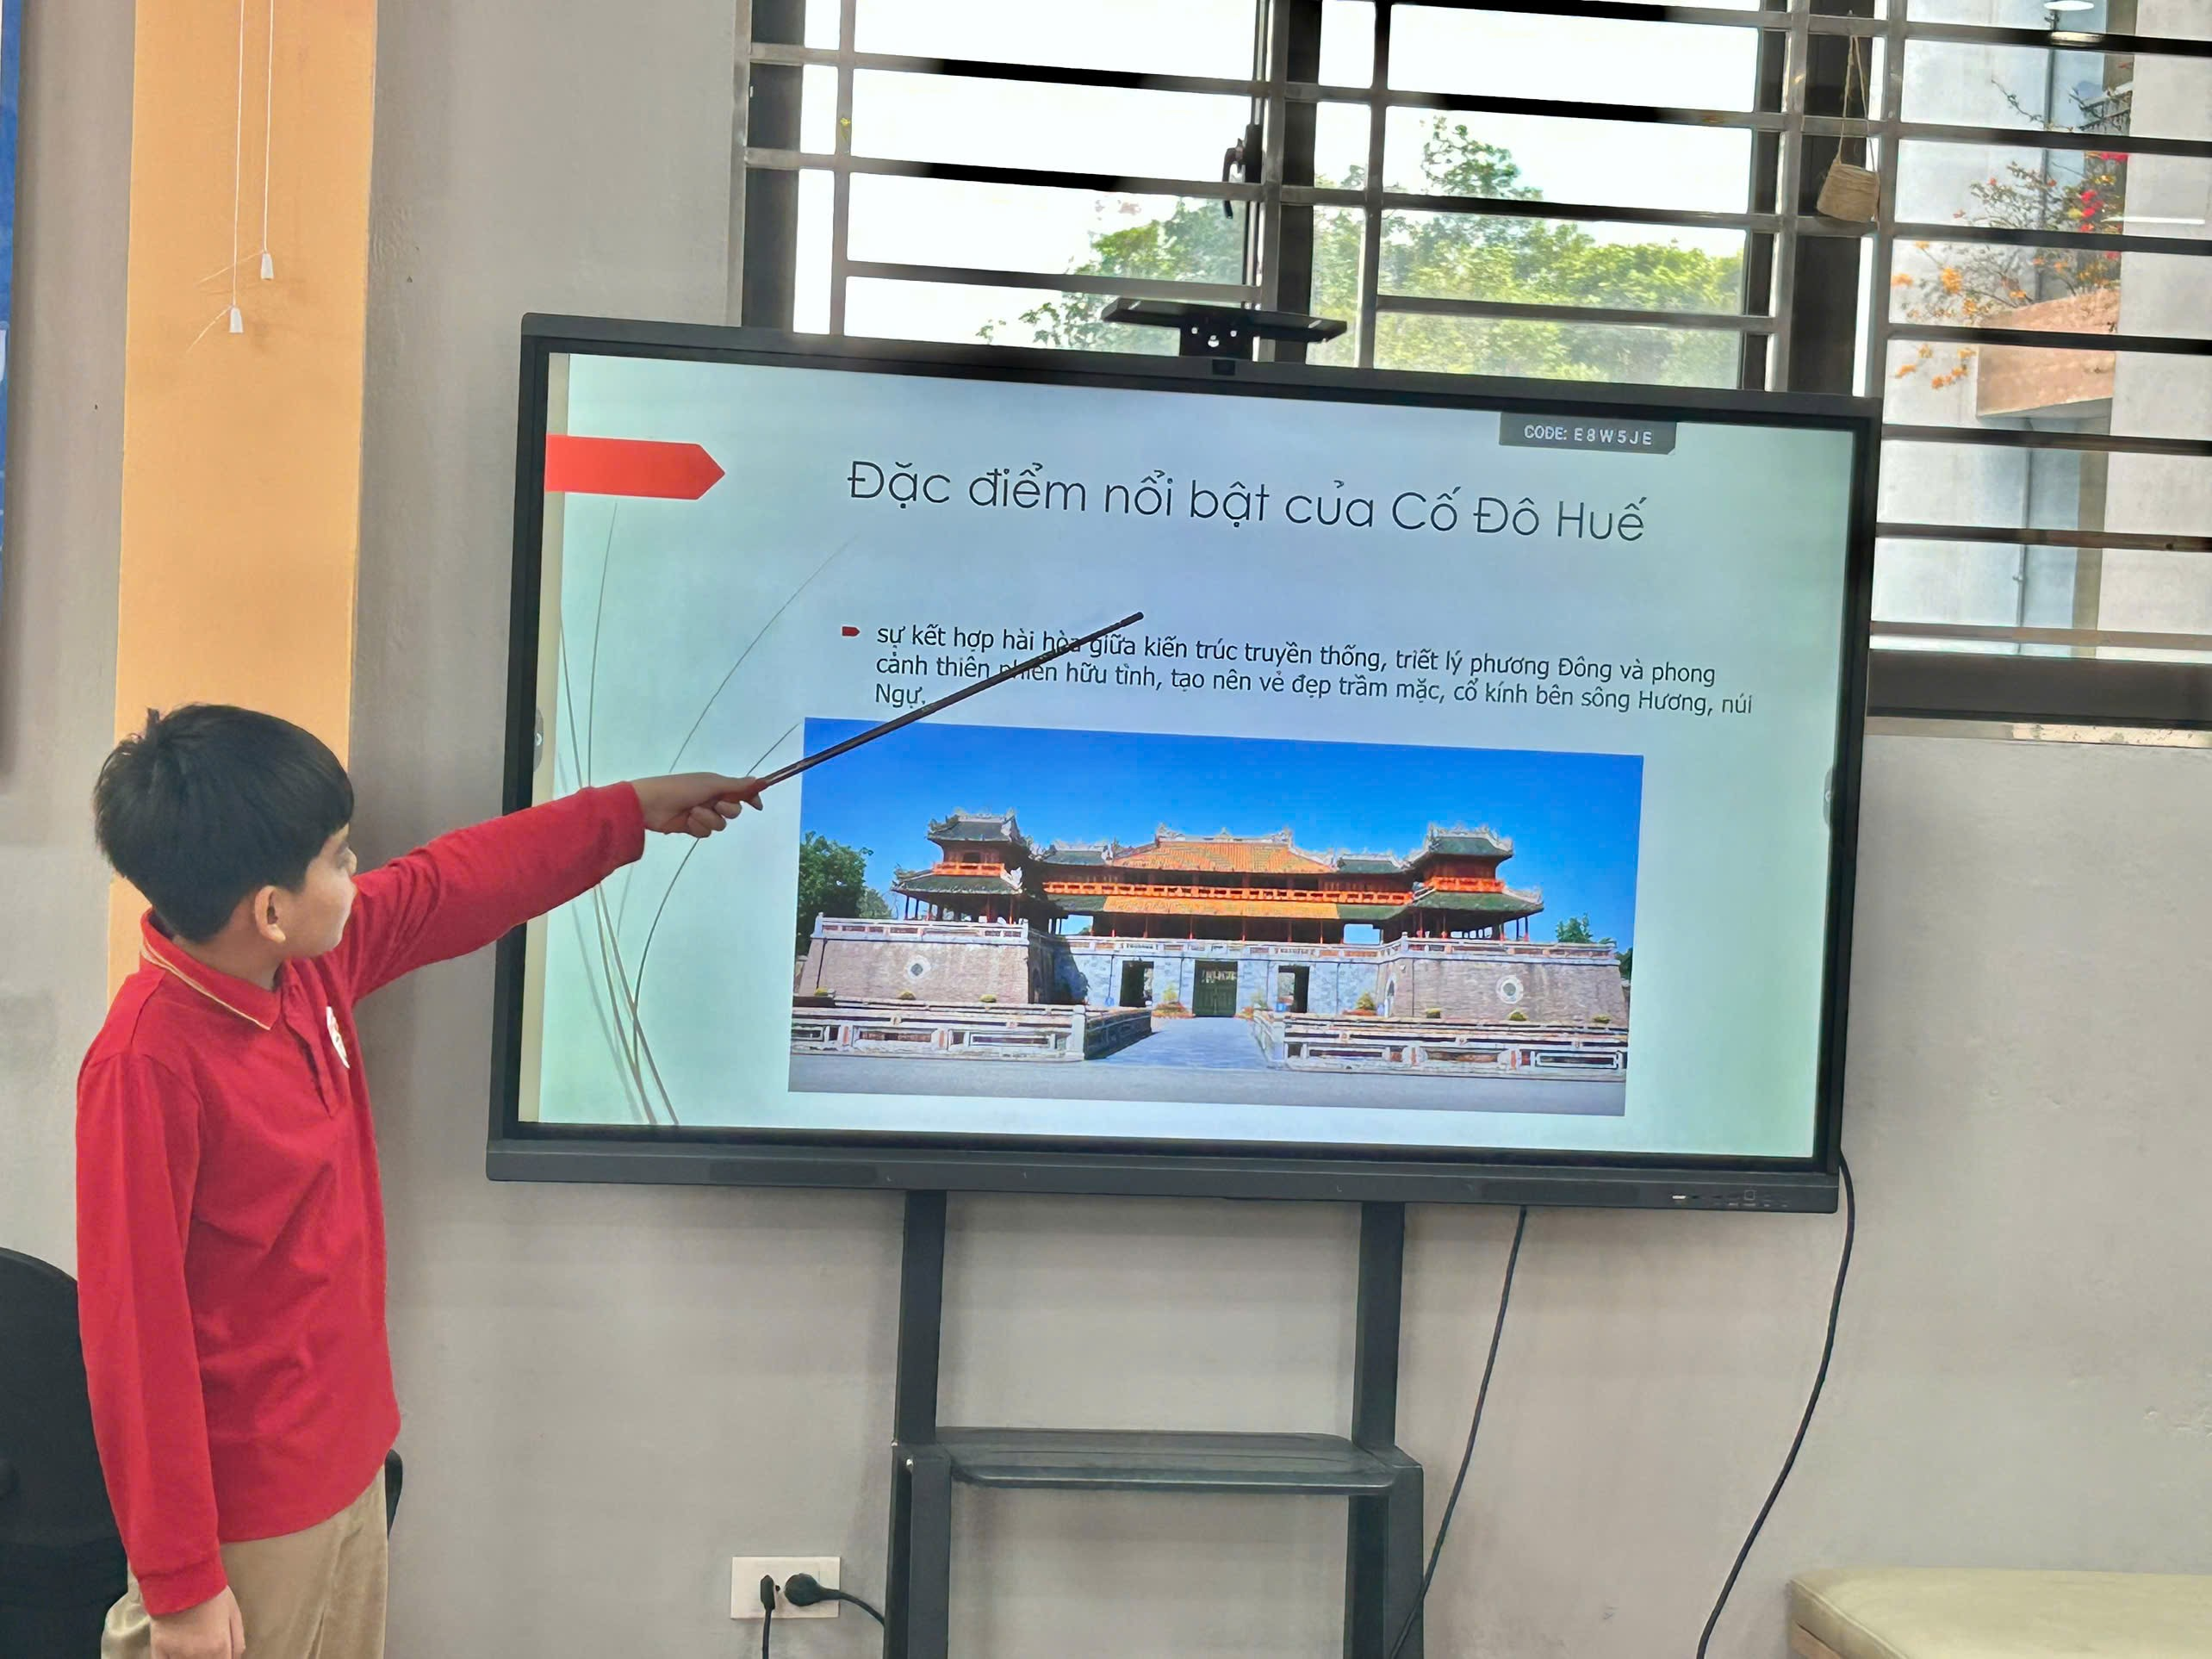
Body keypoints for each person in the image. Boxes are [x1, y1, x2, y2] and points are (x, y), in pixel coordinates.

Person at [75, 705, 761, 1659]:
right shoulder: (144, 1065)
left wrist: (632, 808)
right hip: (245, 1522)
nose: (359, 874)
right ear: (270, 910)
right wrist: (183, 1584)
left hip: (349, 1469)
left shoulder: (304, 969)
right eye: (338, 859)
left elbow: (456, 883)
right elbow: (133, 1342)